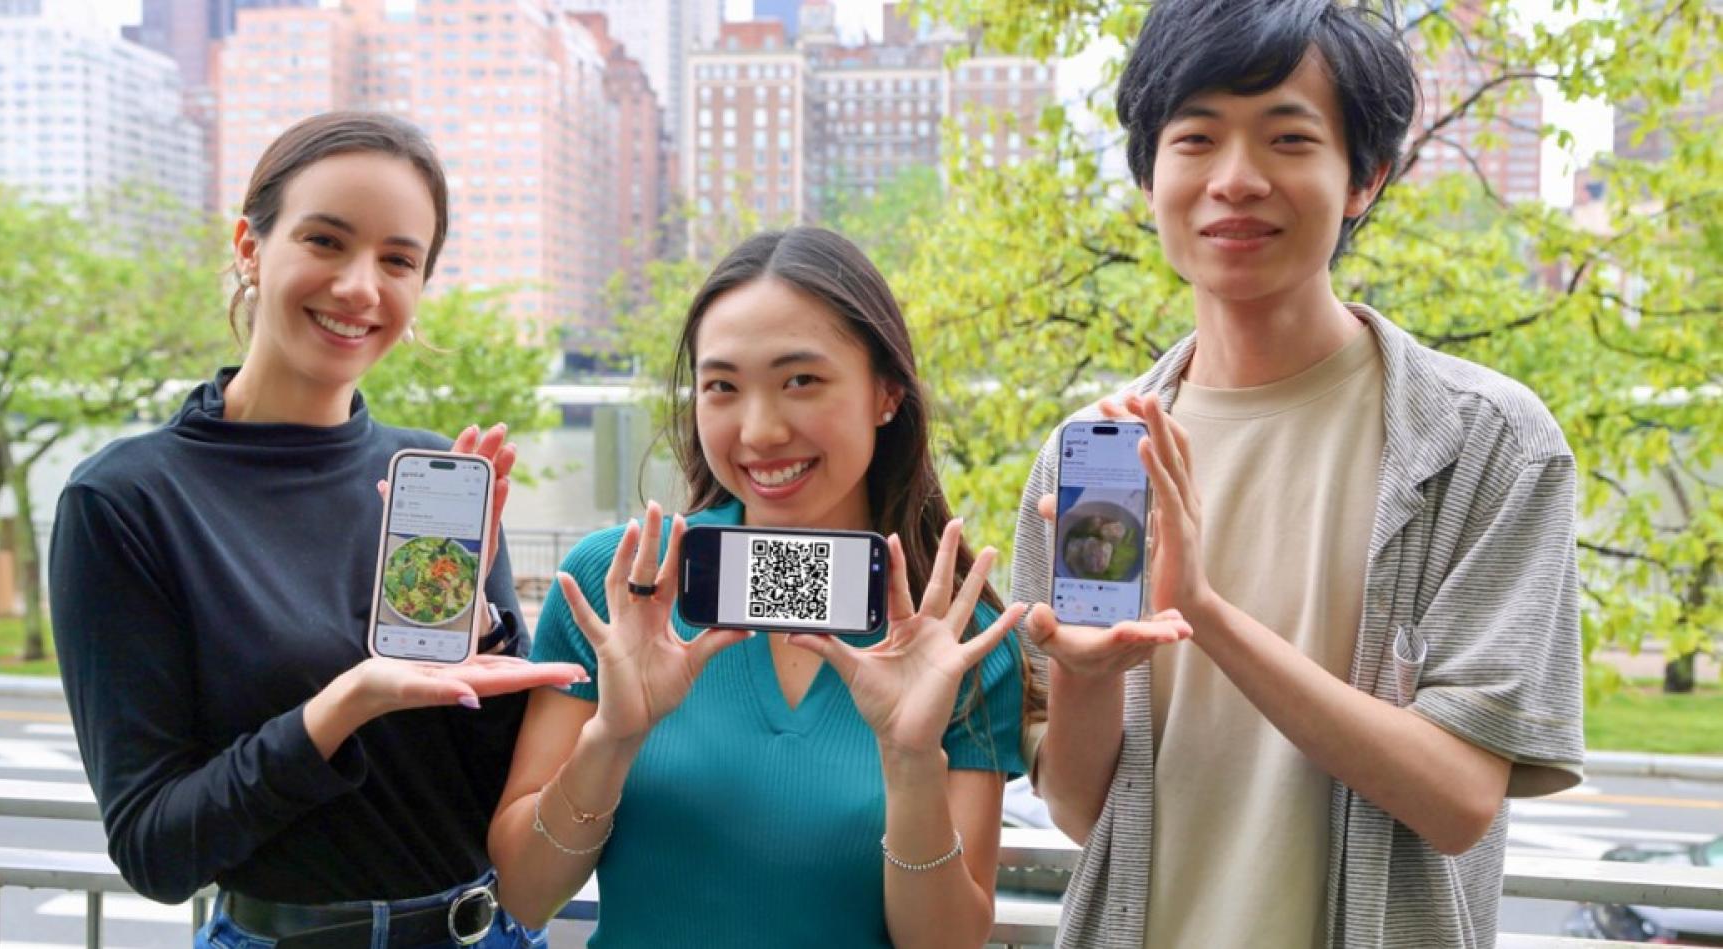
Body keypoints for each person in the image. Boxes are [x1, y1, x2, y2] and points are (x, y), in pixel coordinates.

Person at [1010, 2, 1586, 946]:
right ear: (1150, 173)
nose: (1235, 180)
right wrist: (1090, 674)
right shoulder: (1094, 452)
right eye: (1195, 139)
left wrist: (1209, 612)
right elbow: (1083, 811)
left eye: (1287, 138)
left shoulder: (1486, 444)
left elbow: (1457, 800)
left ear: (1365, 178)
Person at [49, 111, 586, 949]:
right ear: (251, 248)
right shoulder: (127, 501)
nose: (360, 287)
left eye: (398, 260)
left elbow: (486, 796)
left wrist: (486, 645)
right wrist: (343, 705)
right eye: (327, 241)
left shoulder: (441, 476)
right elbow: (156, 849)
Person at [487, 227, 1029, 948]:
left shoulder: (959, 640)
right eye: (722, 387)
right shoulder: (617, 583)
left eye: (801, 380)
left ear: (887, 392)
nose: (760, 429)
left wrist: (910, 763)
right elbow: (524, 889)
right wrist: (613, 737)